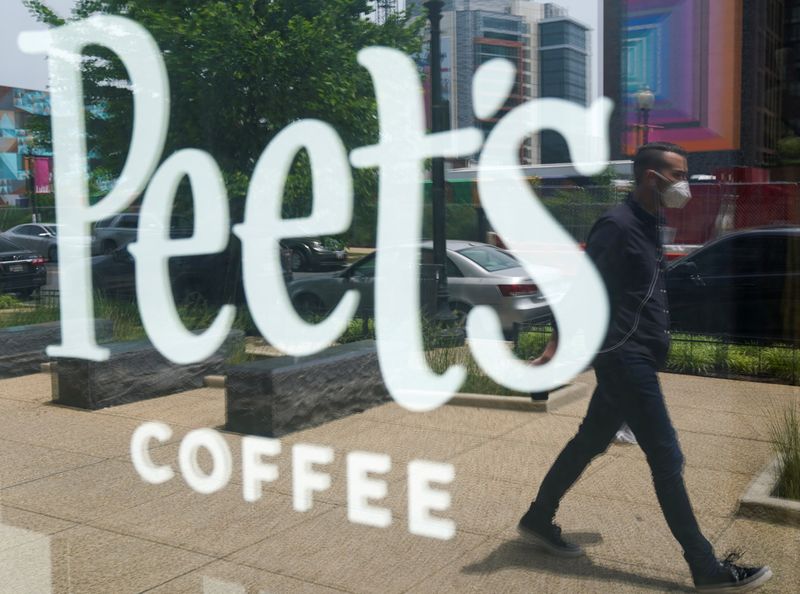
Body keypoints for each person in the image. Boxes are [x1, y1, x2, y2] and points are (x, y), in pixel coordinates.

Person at [518, 142, 772, 592]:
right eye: (677, 174)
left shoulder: (652, 222)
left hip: (635, 354)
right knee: (667, 455)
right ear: (650, 177)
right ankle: (705, 567)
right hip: (622, 355)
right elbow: (583, 286)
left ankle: (538, 517)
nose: (684, 184)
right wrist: (557, 341)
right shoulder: (616, 225)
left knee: (590, 441)